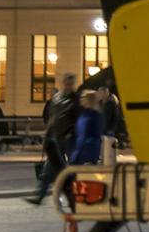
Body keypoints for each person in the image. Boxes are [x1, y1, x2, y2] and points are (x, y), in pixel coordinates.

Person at [28, 72, 80, 205]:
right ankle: (39, 196)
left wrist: (72, 132)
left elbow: (79, 120)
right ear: (63, 83)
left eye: (71, 83)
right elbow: (52, 117)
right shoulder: (57, 99)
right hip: (56, 138)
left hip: (69, 139)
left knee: (71, 168)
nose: (68, 85)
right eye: (67, 82)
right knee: (49, 167)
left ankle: (73, 197)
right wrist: (47, 133)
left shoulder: (76, 100)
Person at [68, 90, 105, 167]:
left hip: (87, 153)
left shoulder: (94, 115)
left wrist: (80, 153)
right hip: (81, 151)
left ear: (89, 99)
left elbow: (92, 134)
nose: (81, 99)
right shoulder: (84, 113)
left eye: (83, 97)